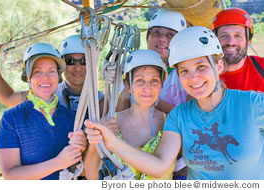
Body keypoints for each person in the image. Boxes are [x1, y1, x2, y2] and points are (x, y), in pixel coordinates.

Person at [85, 26, 264, 180]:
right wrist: (109, 140)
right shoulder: (180, 115)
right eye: (184, 70)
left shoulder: (252, 104)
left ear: (218, 67)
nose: (193, 77)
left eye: (201, 66)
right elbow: (159, 165)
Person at [0, 43, 86, 180]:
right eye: (37, 71)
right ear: (28, 78)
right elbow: (10, 176)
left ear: (58, 77)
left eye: (51, 71)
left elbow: (85, 172)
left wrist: (84, 150)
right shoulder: (11, 119)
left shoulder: (73, 119)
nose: (46, 78)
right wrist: (57, 163)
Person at [85, 49, 176, 180]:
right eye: (140, 80)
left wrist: (112, 141)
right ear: (128, 85)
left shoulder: (171, 122)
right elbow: (90, 172)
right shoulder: (109, 122)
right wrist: (95, 141)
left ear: (161, 84)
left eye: (154, 81)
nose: (147, 88)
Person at [0, 35, 105, 117]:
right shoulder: (46, 92)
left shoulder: (102, 101)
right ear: (61, 65)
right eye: (70, 61)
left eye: (84, 61)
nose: (77, 67)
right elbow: (7, 97)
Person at [116, 9, 188, 114]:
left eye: (171, 35)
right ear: (148, 37)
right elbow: (118, 117)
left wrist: (150, 98)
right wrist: (122, 100)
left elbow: (190, 117)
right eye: (156, 33)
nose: (162, 38)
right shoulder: (131, 68)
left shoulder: (188, 73)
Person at [212, 7, 264, 92]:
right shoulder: (205, 76)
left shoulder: (261, 66)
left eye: (238, 36)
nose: (231, 42)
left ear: (248, 42)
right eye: (224, 36)